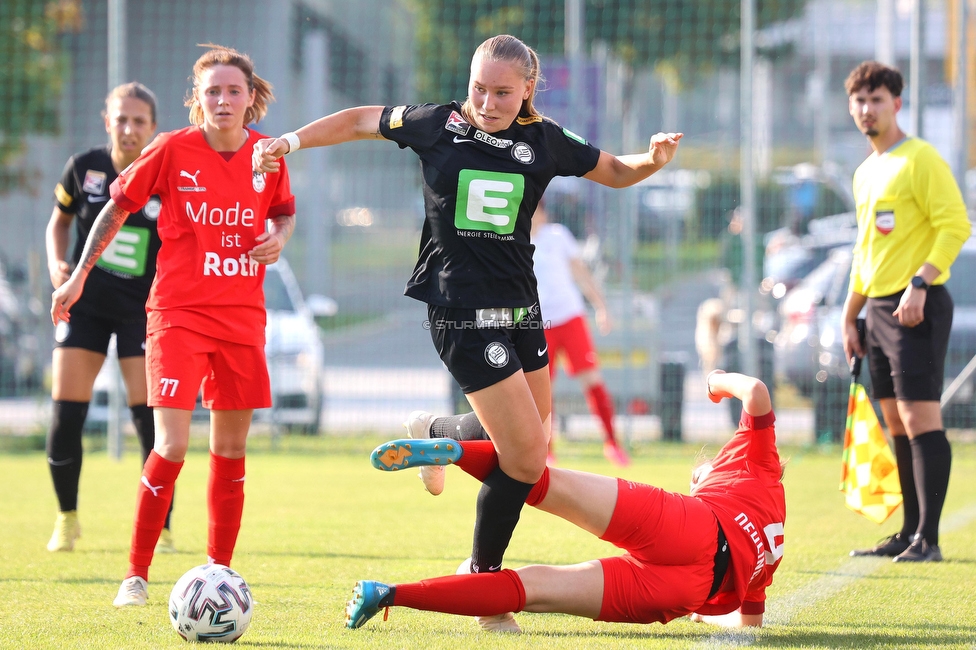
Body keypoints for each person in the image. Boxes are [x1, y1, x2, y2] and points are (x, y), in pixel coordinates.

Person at [253, 34, 681, 632]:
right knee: (527, 457)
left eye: (502, 91)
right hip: (460, 309)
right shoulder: (436, 124)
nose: (486, 100)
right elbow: (356, 120)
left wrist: (652, 161)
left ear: (528, 89)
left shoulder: (545, 140)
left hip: (523, 309)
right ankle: (484, 585)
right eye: (479, 87)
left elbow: (613, 169)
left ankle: (433, 433)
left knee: (532, 435)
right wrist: (290, 141)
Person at [51, 44, 296, 606]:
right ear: (197, 99)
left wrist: (278, 238)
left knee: (231, 452)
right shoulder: (172, 149)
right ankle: (135, 575)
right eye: (212, 91)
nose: (223, 100)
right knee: (173, 444)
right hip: (178, 316)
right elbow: (116, 206)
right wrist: (78, 276)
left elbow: (283, 211)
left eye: (234, 90)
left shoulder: (269, 155)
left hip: (241, 320)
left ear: (250, 97)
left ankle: (221, 575)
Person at [347, 370, 785, 632]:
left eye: (697, 474)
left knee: (536, 480)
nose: (695, 477)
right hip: (687, 592)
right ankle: (388, 595)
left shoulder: (756, 462)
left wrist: (714, 382)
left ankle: (453, 445)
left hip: (693, 525)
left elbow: (758, 392)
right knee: (527, 591)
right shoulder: (769, 552)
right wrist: (704, 614)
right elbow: (749, 625)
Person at [842, 61, 970, 563]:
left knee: (921, 418)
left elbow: (955, 225)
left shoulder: (920, 158)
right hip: (875, 310)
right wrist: (850, 315)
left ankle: (930, 540)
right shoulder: (865, 171)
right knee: (895, 421)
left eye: (877, 100)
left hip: (917, 305)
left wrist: (921, 282)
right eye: (859, 101)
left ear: (897, 103)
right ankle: (908, 532)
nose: (867, 109)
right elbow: (864, 251)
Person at [44, 82, 176, 554]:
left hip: (143, 311)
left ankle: (161, 526)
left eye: (139, 120)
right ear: (107, 121)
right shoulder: (84, 169)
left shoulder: (164, 176)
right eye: (121, 118)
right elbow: (58, 220)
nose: (129, 128)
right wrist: (58, 264)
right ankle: (67, 517)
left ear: (153, 128)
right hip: (87, 307)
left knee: (151, 420)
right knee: (66, 411)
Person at [531, 200, 628, 465]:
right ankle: (547, 451)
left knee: (592, 378)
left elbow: (581, 273)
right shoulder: (514, 243)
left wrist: (601, 307)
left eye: (535, 208)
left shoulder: (558, 235)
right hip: (539, 324)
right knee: (542, 387)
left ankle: (612, 443)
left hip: (570, 317)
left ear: (543, 212)